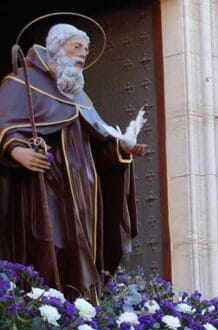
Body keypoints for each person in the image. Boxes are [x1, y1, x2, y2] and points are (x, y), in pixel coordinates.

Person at [0, 24, 145, 295]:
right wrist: (17, 150)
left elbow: (97, 142)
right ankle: (46, 310)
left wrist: (121, 150)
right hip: (45, 183)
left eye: (86, 50)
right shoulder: (22, 82)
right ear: (56, 48)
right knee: (52, 243)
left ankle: (80, 311)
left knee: (85, 248)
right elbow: (4, 124)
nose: (83, 54)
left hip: (84, 191)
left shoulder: (80, 97)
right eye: (76, 47)